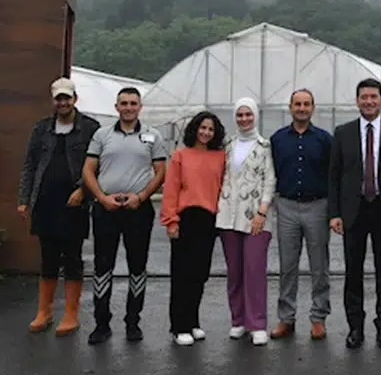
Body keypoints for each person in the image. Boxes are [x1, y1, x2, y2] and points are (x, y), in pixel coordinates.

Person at [328, 78, 381, 349]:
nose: (369, 101)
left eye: (373, 97)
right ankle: (355, 327)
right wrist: (335, 213)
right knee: (353, 271)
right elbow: (334, 176)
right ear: (357, 100)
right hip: (353, 211)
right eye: (364, 97)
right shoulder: (343, 133)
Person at [81, 87, 168, 345]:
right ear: (116, 107)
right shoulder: (102, 135)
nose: (128, 107)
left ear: (140, 107)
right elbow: (88, 169)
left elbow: (161, 172)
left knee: (137, 266)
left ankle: (133, 322)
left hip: (138, 210)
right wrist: (101, 197)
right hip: (106, 208)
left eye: (133, 103)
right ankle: (101, 323)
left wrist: (140, 197)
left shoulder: (153, 136)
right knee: (103, 265)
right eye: (124, 103)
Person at [17, 77, 103, 337]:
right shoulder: (41, 128)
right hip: (45, 201)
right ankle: (44, 312)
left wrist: (83, 190)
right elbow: (29, 165)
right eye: (59, 98)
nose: (63, 103)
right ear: (53, 101)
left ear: (75, 99)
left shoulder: (90, 128)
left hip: (74, 203)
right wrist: (24, 199)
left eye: (67, 98)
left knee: (73, 258)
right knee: (48, 258)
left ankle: (71, 314)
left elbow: (98, 165)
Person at [268, 88, 334, 341]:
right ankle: (286, 317)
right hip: (285, 206)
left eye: (307, 104)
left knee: (319, 266)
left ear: (313, 108)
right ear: (290, 107)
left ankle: (318, 317)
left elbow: (333, 176)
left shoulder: (325, 140)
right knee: (287, 266)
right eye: (297, 104)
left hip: (317, 206)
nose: (302, 108)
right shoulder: (277, 139)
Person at [161, 110, 226, 346]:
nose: (206, 132)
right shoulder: (181, 155)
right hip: (185, 217)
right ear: (194, 129)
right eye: (202, 127)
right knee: (181, 274)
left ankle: (193, 321)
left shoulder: (220, 156)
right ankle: (179, 326)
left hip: (209, 219)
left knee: (200, 273)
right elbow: (171, 190)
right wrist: (171, 221)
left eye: (210, 129)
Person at [216, 97, 277, 347]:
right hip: (228, 215)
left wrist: (262, 213)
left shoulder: (265, 146)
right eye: (240, 115)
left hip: (255, 218)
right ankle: (238, 320)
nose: (244, 119)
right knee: (235, 272)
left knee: (254, 270)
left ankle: (257, 323)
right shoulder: (227, 145)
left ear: (255, 116)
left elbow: (270, 180)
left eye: (248, 114)